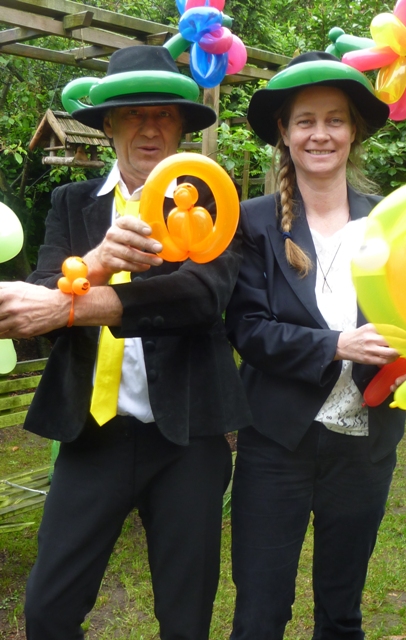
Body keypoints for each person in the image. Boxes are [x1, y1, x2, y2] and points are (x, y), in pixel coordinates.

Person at [0, 45, 251, 640]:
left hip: (188, 433)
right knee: (49, 611)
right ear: (108, 124)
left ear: (183, 127)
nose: (149, 126)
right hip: (92, 434)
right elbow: (32, 302)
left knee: (185, 618)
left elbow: (201, 297)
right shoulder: (72, 203)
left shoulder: (213, 201)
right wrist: (92, 261)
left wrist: (75, 304)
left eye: (164, 113)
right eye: (133, 113)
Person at [225, 51, 406, 639]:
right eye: (305, 120)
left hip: (365, 446)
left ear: (353, 130)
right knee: (259, 612)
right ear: (284, 131)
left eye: (335, 119)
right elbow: (247, 329)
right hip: (275, 444)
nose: (320, 133)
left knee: (341, 608)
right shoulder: (252, 222)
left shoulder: (392, 223)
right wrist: (336, 345)